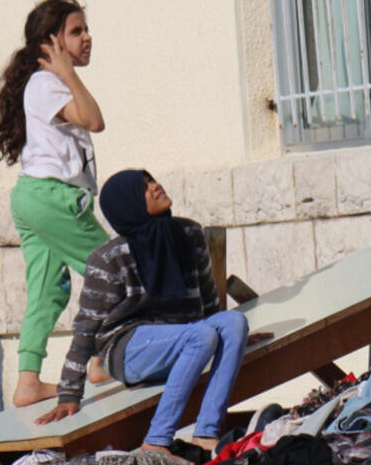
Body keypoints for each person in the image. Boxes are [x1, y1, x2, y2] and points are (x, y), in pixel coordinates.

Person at [36, 169, 249, 457]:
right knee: (201, 335)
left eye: (152, 180)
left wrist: (231, 340)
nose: (156, 186)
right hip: (128, 351)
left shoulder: (189, 234)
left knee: (234, 321)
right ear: (129, 204)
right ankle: (157, 442)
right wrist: (69, 392)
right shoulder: (109, 258)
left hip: (184, 339)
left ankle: (205, 434)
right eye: (144, 187)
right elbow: (86, 328)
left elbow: (209, 301)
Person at [0, 0, 110, 407]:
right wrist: (68, 73)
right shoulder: (46, 83)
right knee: (113, 271)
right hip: (53, 200)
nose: (87, 37)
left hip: (34, 198)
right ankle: (100, 358)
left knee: (47, 293)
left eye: (86, 29)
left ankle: (28, 382)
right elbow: (94, 119)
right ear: (50, 42)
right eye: (76, 31)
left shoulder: (41, 86)